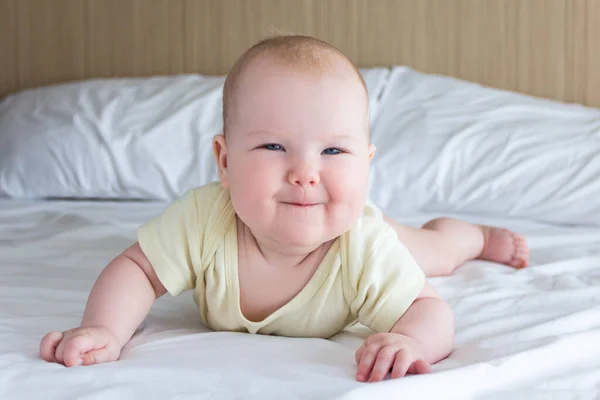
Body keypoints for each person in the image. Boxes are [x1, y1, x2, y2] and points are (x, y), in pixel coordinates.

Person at [40, 35, 529, 383]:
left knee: (434, 254)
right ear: (225, 162)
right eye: (274, 146)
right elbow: (138, 269)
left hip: (374, 237)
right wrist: (103, 328)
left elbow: (428, 309)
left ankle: (472, 236)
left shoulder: (364, 245)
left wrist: (412, 343)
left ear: (367, 164)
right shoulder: (206, 219)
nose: (305, 173)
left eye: (333, 152)